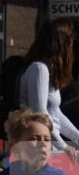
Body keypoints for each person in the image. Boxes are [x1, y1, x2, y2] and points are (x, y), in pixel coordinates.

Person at [19, 18, 78, 161]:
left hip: (51, 145)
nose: (72, 48)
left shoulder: (49, 71)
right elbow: (40, 113)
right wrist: (63, 146)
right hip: (39, 148)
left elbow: (55, 113)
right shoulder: (39, 69)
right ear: (62, 44)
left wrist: (76, 137)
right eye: (70, 42)